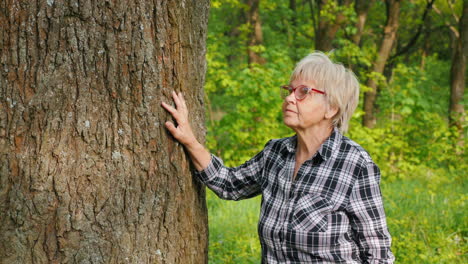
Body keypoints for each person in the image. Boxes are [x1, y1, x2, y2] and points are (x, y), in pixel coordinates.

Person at [161, 52, 395, 263]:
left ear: (332, 107)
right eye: (290, 91)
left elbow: (378, 254)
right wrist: (189, 139)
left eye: (304, 92)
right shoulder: (275, 153)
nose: (290, 99)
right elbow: (228, 183)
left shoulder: (354, 164)